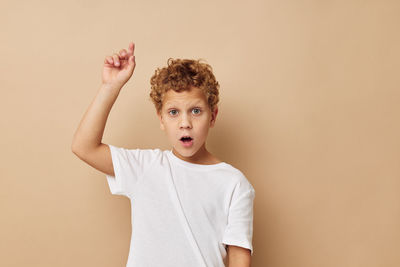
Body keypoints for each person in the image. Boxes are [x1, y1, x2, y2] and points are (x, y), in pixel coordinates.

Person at [71, 42, 255, 267]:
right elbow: (84, 146)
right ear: (161, 118)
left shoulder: (234, 183)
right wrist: (110, 86)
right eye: (173, 113)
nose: (185, 123)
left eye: (196, 111)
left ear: (213, 116)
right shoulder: (144, 167)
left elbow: (239, 256)